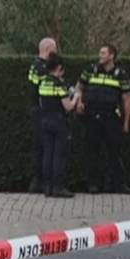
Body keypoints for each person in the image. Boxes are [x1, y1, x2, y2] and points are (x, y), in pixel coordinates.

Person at [78, 44, 130, 193]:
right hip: (92, 116)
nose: (100, 56)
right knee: (92, 151)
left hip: (111, 117)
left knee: (114, 152)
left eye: (103, 53)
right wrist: (79, 102)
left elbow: (127, 99)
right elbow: (79, 87)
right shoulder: (90, 70)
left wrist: (126, 122)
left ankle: (118, 184)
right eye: (100, 53)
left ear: (111, 56)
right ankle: (92, 184)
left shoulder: (121, 74)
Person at [36, 54, 82, 198]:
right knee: (59, 155)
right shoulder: (58, 84)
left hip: (45, 120)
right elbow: (68, 107)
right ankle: (58, 187)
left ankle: (47, 187)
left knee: (47, 154)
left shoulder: (43, 82)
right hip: (58, 121)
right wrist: (76, 97)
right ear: (60, 68)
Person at [27, 37, 56, 193]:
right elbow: (51, 84)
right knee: (44, 148)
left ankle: (37, 181)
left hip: (36, 110)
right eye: (54, 50)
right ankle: (43, 182)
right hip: (42, 111)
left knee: (38, 148)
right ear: (48, 49)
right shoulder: (42, 68)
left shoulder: (35, 65)